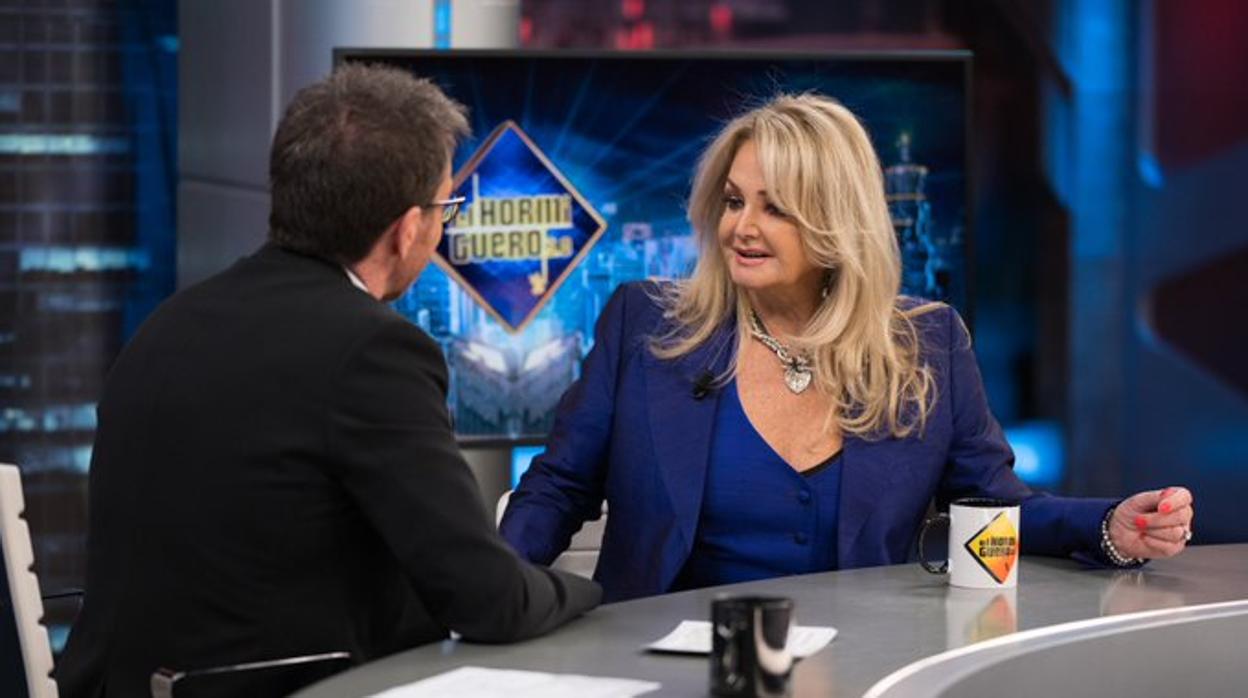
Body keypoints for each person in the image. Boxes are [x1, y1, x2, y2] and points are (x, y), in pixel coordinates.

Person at [499, 93, 1195, 603]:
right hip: (663, 658)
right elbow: (561, 486)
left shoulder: (926, 345)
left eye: (775, 207)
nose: (742, 226)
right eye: (734, 201)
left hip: (859, 663)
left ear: (835, 222)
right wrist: (486, 599)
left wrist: (1109, 527)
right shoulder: (648, 325)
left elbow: (995, 506)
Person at [56, 64, 601, 697]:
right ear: (406, 230)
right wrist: (598, 594)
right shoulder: (374, 352)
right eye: (446, 208)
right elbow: (488, 599)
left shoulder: (167, 324)